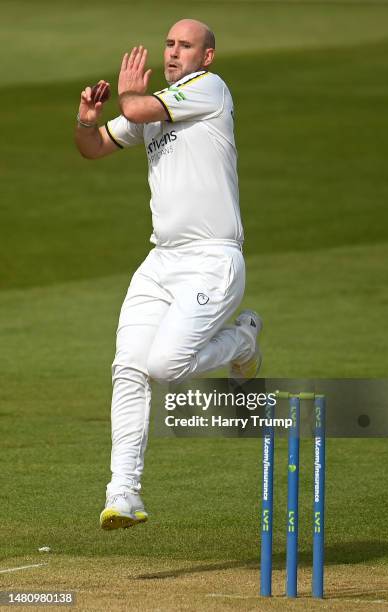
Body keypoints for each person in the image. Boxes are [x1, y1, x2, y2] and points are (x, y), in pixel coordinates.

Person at [75, 18, 263, 530]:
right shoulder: (155, 109)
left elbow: (135, 106)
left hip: (212, 259)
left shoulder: (209, 90)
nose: (175, 52)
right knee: (129, 367)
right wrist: (88, 119)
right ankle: (124, 492)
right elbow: (92, 148)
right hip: (162, 261)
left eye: (186, 46)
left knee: (166, 367)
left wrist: (131, 95)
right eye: (170, 44)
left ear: (207, 57)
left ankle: (243, 342)